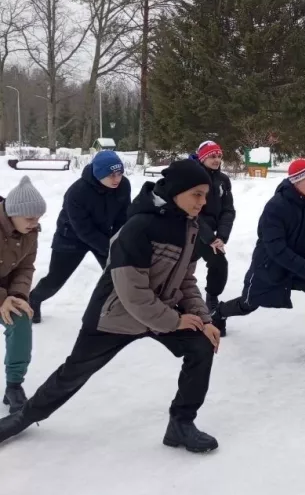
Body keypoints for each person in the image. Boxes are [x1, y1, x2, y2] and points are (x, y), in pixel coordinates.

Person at [0, 160, 221, 452]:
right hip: (114, 315)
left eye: (206, 195)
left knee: (201, 346)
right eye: (197, 194)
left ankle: (181, 424)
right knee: (73, 374)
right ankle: (22, 418)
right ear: (177, 191)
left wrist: (204, 319)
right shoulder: (139, 227)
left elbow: (186, 280)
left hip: (161, 312)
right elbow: (132, 292)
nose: (203, 202)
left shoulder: (190, 227)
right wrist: (175, 321)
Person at [211, 160, 305, 366]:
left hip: (295, 266)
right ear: (295, 181)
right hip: (268, 268)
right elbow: (276, 248)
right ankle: (219, 312)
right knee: (248, 304)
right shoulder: (276, 207)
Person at [29, 150, 131, 323]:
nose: (117, 179)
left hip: (104, 234)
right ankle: (33, 300)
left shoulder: (123, 185)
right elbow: (83, 229)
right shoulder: (77, 192)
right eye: (111, 175)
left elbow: (123, 216)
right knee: (55, 280)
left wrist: (118, 242)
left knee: (118, 274)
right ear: (98, 174)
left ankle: (118, 310)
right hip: (71, 237)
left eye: (120, 173)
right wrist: (109, 246)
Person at [1, 177, 46, 414]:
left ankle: (14, 386)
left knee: (20, 318)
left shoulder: (30, 232)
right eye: (30, 218)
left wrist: (17, 294)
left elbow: (26, 267)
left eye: (38, 218)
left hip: (8, 291)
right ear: (12, 214)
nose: (35, 223)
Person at [191, 141, 236, 310]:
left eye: (219, 156)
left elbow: (228, 210)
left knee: (219, 263)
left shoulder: (223, 180)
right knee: (179, 267)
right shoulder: (193, 179)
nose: (217, 160)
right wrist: (209, 238)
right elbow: (192, 211)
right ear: (202, 158)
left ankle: (212, 298)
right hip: (188, 230)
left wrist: (221, 237)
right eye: (212, 156)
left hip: (211, 235)